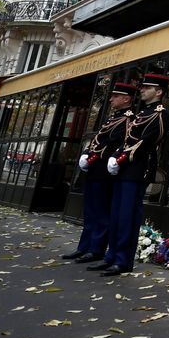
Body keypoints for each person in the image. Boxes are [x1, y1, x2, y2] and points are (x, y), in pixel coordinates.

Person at [91, 73, 169, 276]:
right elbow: (127, 139)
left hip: (138, 169)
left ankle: (123, 260)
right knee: (116, 214)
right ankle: (112, 256)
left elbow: (147, 142)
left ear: (159, 92)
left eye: (147, 88)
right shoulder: (143, 112)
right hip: (124, 168)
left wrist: (121, 157)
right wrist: (116, 156)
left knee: (127, 216)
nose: (142, 90)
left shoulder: (161, 114)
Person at [61, 82, 137, 264]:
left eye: (115, 96)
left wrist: (100, 157)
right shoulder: (113, 118)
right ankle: (84, 246)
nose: (111, 99)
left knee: (102, 213)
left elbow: (118, 143)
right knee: (90, 211)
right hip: (95, 169)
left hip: (105, 171)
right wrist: (87, 154)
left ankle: (96, 249)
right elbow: (98, 138)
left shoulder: (129, 118)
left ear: (126, 99)